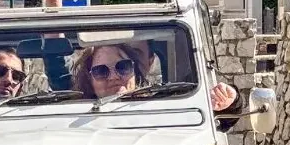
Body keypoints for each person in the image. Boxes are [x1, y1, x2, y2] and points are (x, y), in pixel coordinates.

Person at [71, 41, 240, 111]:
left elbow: (214, 119)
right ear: (90, 78)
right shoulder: (74, 112)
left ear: (135, 71)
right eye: (101, 71)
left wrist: (229, 101)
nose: (114, 76)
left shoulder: (162, 104)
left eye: (123, 67)